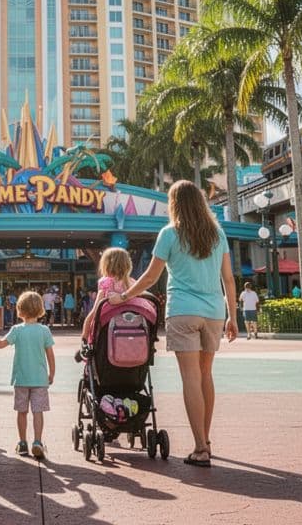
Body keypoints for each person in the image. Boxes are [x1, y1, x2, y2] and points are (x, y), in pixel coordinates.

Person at [110, 180, 236, 468]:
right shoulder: (217, 234)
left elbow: (151, 277)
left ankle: (201, 448)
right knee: (206, 375)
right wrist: (233, 316)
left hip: (183, 311)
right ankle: (206, 440)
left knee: (191, 378)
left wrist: (125, 296)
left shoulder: (169, 233)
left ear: (174, 204)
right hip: (214, 312)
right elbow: (228, 278)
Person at [0, 291, 55, 459]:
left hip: (21, 379)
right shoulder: (44, 330)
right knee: (38, 411)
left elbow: (2, 344)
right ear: (40, 309)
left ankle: (22, 442)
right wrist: (51, 373)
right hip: (39, 379)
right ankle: (38, 442)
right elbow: (50, 355)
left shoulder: (17, 330)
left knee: (22, 411)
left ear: (20, 309)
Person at [81, 247, 132, 340]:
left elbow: (95, 312)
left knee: (92, 314)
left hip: (109, 322)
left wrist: (85, 334)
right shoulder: (133, 283)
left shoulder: (104, 282)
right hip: (131, 322)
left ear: (105, 264)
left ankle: (84, 341)